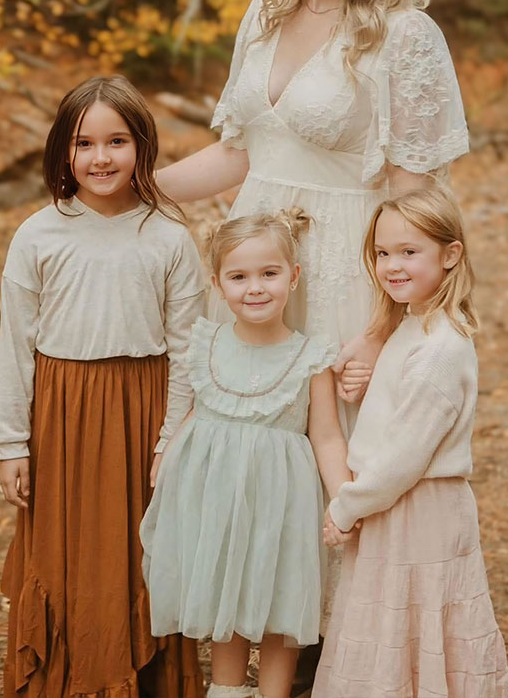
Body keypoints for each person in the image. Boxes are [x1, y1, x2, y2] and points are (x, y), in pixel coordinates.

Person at [155, 0, 469, 435]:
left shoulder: (405, 34)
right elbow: (238, 155)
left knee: (332, 451)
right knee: (245, 448)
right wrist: (133, 189)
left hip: (346, 280)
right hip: (255, 268)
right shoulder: (264, 11)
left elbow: (416, 203)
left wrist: (381, 330)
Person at [0, 76, 205, 698]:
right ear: (63, 150)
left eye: (117, 141)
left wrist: (172, 439)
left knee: (136, 554)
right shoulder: (39, 234)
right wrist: (11, 443)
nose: (101, 157)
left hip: (142, 413)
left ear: (143, 146)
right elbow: (16, 347)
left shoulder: (168, 236)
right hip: (61, 416)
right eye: (84, 143)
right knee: (64, 553)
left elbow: (189, 350)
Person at [139, 209, 354, 698]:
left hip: (282, 504)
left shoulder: (311, 356)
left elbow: (326, 436)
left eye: (269, 273)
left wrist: (345, 498)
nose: (255, 288)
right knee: (225, 596)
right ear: (217, 284)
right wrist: (167, 458)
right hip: (216, 499)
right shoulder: (206, 343)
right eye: (238, 277)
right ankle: (228, 689)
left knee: (282, 602)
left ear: (293, 277)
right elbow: (192, 413)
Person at [314, 186, 508, 698]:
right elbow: (398, 418)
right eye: (382, 253)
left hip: (417, 508)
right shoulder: (413, 326)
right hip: (395, 504)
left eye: (408, 251)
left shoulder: (440, 349)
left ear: (450, 255)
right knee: (396, 624)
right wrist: (367, 387)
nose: (391, 265)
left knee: (415, 619)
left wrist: (346, 507)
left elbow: (403, 457)